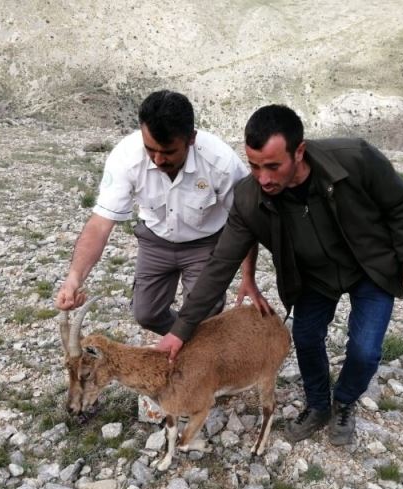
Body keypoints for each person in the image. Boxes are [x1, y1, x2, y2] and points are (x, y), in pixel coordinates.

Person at [156, 104, 403, 446]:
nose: (263, 178)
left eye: (273, 166)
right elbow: (220, 266)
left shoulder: (354, 158)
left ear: (299, 151)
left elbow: (399, 204)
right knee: (306, 338)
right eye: (254, 166)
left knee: (365, 350)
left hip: (370, 267)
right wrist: (180, 331)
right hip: (312, 276)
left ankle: (343, 401)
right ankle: (317, 405)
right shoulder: (249, 199)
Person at [55, 90, 269, 333]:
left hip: (206, 243)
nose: (158, 159)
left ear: (191, 139)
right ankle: (188, 340)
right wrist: (74, 279)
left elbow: (245, 222)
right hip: (155, 240)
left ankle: (194, 352)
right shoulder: (126, 157)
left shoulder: (222, 163)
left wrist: (248, 277)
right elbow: (100, 225)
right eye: (150, 149)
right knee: (146, 314)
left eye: (168, 152)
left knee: (204, 314)